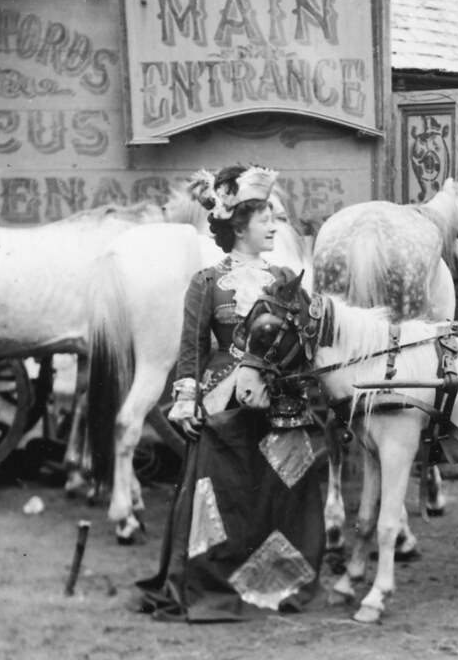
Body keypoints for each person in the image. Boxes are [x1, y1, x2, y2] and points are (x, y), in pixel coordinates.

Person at [138, 164, 325, 622]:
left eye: (275, 218)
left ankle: (273, 581)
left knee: (281, 492)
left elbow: (303, 343)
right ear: (239, 225)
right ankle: (215, 582)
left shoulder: (285, 277)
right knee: (223, 496)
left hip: (278, 400)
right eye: (266, 219)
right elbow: (192, 349)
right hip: (222, 404)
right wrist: (186, 400)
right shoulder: (207, 282)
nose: (275, 226)